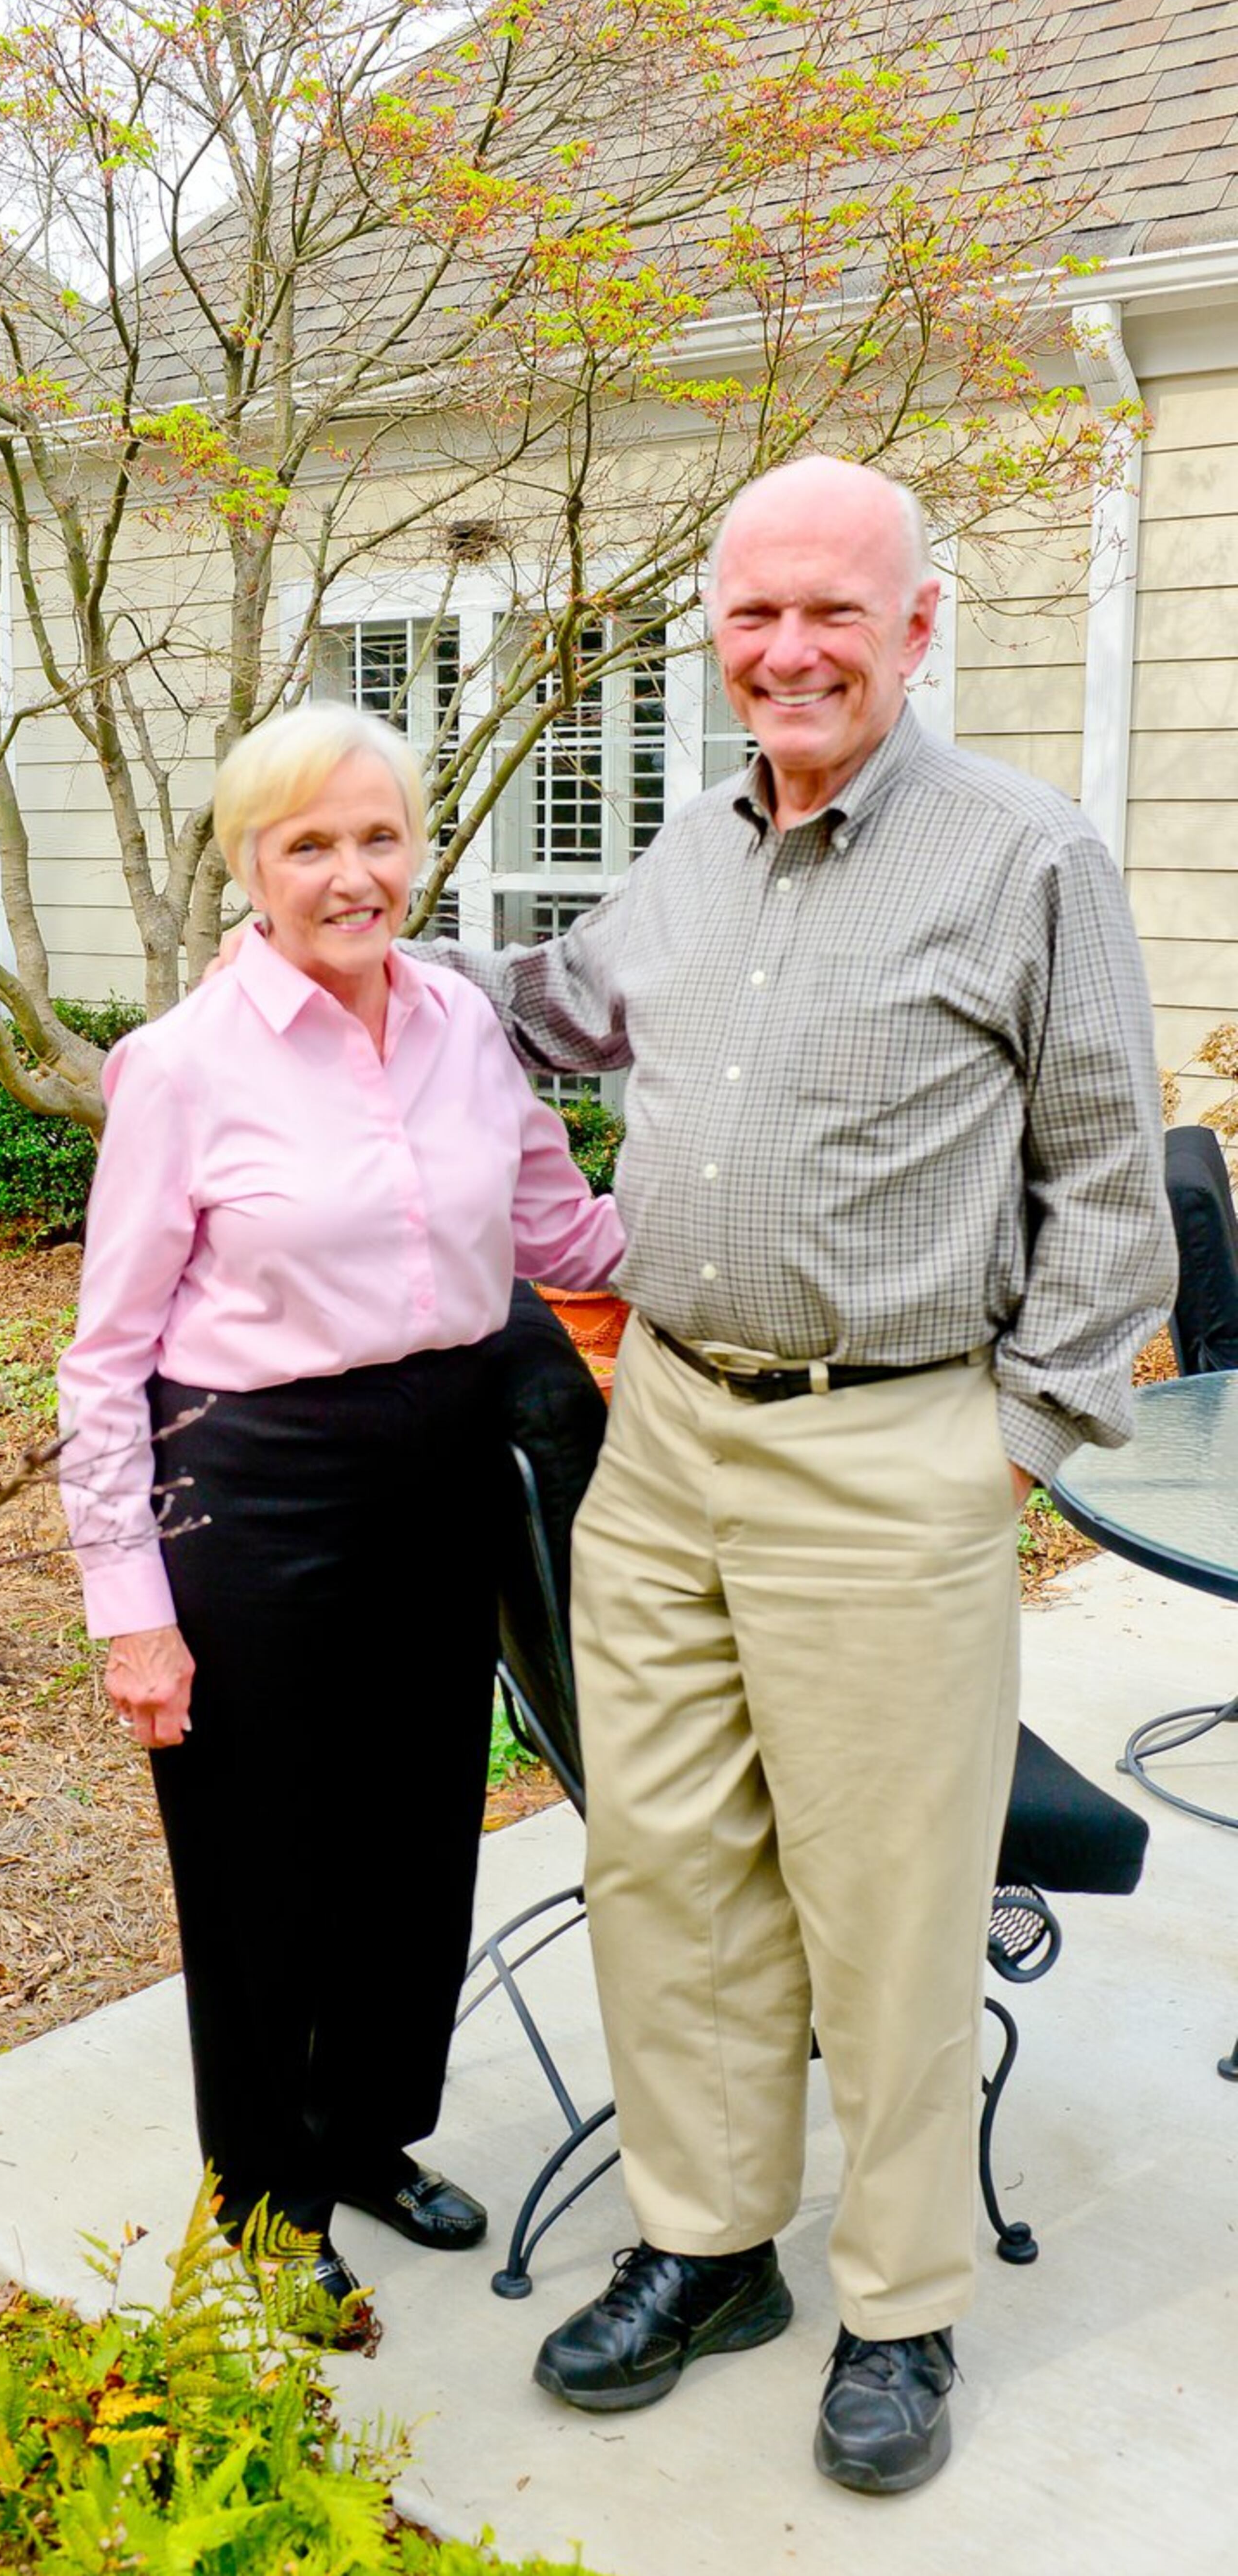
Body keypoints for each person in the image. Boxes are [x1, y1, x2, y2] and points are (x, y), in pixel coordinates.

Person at [428, 456, 1174, 2491]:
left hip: (891, 1449)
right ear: (715, 633)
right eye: (752, 612)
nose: (788, 648)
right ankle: (707, 2247)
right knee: (665, 1864)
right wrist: (350, 971)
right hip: (664, 1437)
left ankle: (902, 2304)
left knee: (889, 1902)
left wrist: (999, 1449)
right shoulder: (683, 853)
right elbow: (554, 1020)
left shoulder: (1027, 858)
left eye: (831, 611)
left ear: (914, 626)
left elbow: (1116, 1201)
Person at [57, 700, 623, 2336]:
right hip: (258, 1487)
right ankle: (262, 2201)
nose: (352, 873)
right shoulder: (179, 1068)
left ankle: (369, 2139)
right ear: (251, 865)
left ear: (417, 849)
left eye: (379, 837)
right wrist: (132, 1607)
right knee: (262, 1866)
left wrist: (744, 1211)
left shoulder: (464, 1026)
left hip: (442, 1466)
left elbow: (563, 1229)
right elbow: (105, 1361)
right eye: (311, 844)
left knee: (414, 1839)